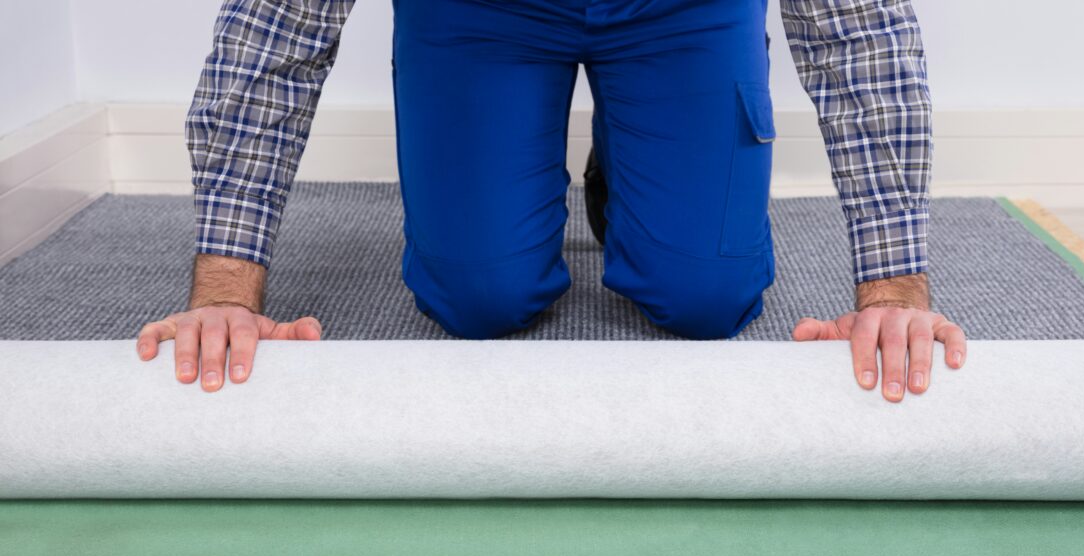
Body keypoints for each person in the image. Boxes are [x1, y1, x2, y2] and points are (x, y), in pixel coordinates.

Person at [137, 0, 966, 404]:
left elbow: (858, 29)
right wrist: (224, 292)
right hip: (479, 11)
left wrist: (891, 290)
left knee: (708, 295)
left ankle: (632, 160)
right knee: (475, 295)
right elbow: (278, 26)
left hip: (683, 11)